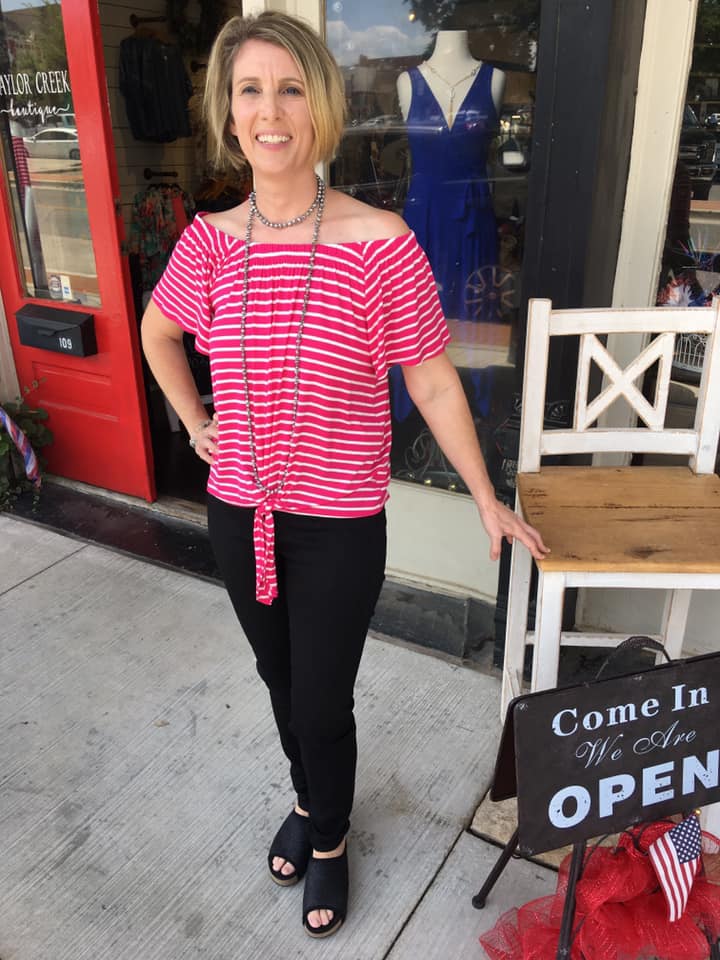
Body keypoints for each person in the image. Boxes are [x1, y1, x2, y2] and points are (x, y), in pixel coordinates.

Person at [141, 11, 549, 940]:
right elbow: (159, 333)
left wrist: (486, 496)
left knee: (321, 701)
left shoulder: (380, 242)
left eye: (290, 89)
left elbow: (433, 380)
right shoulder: (209, 243)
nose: (269, 111)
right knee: (279, 681)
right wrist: (197, 425)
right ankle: (309, 798)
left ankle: (328, 837)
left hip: (338, 523)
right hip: (239, 511)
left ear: (319, 106)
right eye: (250, 91)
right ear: (229, 112)